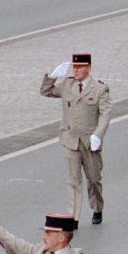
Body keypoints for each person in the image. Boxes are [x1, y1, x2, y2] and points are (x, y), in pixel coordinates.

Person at [40, 52, 111, 224]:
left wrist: (98, 135)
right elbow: (45, 91)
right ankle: (73, 218)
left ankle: (97, 208)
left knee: (94, 179)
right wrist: (51, 77)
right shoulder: (67, 85)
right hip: (70, 140)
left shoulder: (100, 88)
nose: (76, 70)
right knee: (73, 181)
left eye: (80, 67)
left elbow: (105, 114)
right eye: (75, 67)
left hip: (89, 142)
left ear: (89, 68)